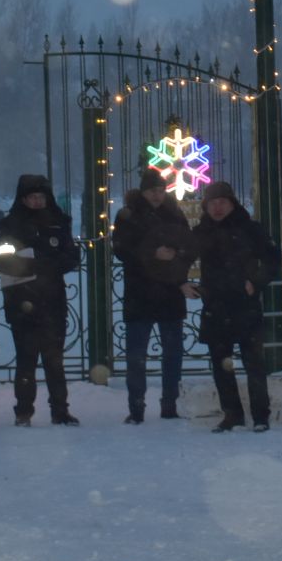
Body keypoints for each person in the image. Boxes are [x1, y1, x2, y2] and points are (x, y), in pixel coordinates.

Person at [189, 180, 278, 434]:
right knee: (221, 365)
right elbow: (181, 256)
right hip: (215, 306)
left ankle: (261, 415)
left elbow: (272, 259)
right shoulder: (201, 232)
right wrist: (183, 283)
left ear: (232, 203)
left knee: (254, 364)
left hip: (245, 305)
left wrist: (257, 282)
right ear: (205, 206)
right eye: (212, 203)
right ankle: (232, 414)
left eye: (222, 202)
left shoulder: (250, 229)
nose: (217, 208)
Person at [0, 175, 82, 425]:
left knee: (55, 361)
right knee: (26, 361)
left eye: (41, 197)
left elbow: (71, 257)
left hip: (52, 300)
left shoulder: (58, 222)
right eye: (32, 197)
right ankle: (23, 410)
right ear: (23, 199)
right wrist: (37, 266)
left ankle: (60, 409)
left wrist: (43, 265)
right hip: (21, 301)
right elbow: (1, 258)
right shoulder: (10, 224)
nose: (36, 201)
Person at [112, 170, 196, 423]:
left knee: (172, 352)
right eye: (152, 191)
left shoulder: (173, 213)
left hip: (168, 290)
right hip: (141, 291)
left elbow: (188, 245)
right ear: (143, 192)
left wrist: (177, 256)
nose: (157, 195)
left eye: (161, 190)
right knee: (137, 354)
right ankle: (136, 406)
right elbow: (121, 249)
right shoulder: (128, 215)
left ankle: (169, 403)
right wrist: (153, 254)